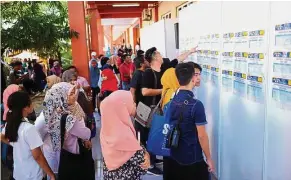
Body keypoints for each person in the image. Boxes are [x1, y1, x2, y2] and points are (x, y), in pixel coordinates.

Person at [164, 62, 214, 180]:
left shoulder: (172, 97)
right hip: (192, 156)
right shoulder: (196, 105)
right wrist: (209, 158)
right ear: (192, 78)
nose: (199, 77)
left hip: (174, 154)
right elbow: (202, 136)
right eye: (196, 74)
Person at [42, 82, 94, 180]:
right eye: (70, 94)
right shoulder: (69, 119)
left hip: (64, 157)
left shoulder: (53, 116)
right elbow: (87, 133)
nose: (74, 96)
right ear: (62, 97)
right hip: (76, 158)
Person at [1, 91, 55, 180]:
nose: (32, 104)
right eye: (30, 102)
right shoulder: (29, 129)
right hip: (32, 175)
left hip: (18, 174)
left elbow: (2, 137)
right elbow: (38, 156)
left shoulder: (11, 123)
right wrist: (51, 175)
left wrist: (15, 144)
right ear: (25, 107)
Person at [100, 90, 150, 180]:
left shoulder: (106, 130)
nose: (134, 104)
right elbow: (142, 167)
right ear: (121, 107)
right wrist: (146, 154)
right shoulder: (124, 136)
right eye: (131, 102)